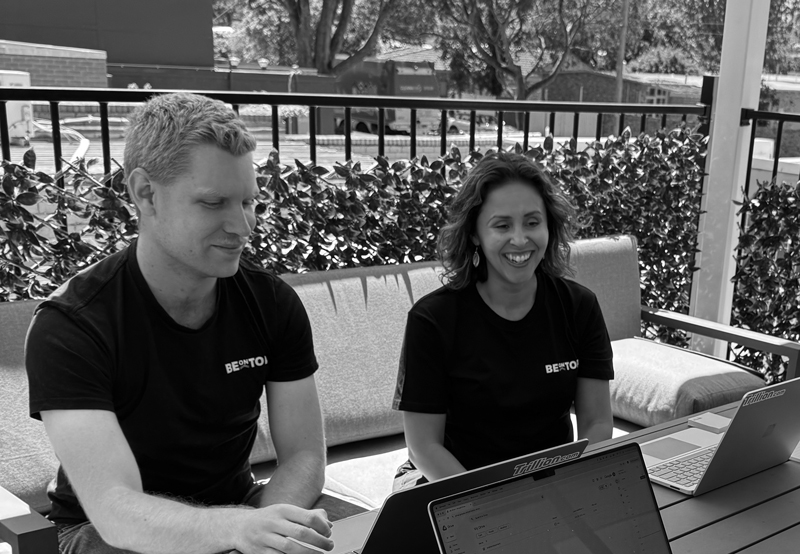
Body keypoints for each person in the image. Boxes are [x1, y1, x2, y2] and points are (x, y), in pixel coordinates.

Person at [25, 92, 341, 554]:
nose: (243, 226)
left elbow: (305, 456)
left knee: (370, 533)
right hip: (108, 533)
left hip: (241, 506)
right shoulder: (72, 325)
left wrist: (269, 531)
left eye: (249, 202)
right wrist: (237, 533)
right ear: (145, 193)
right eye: (214, 203)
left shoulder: (271, 301)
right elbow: (115, 509)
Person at [392, 151, 614, 488]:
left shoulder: (578, 306)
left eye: (532, 222)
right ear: (475, 234)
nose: (521, 240)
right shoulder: (433, 320)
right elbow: (424, 446)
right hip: (450, 483)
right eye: (502, 225)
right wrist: (494, 505)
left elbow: (596, 422)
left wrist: (576, 485)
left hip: (547, 484)